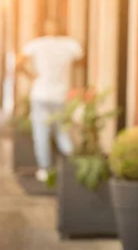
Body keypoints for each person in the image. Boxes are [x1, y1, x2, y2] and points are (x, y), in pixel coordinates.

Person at [17, 20, 83, 182]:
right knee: (62, 133)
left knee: (41, 134)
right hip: (60, 95)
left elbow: (18, 63)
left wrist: (31, 76)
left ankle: (45, 170)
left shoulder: (36, 44)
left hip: (40, 94)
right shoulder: (70, 45)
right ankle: (71, 167)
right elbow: (81, 60)